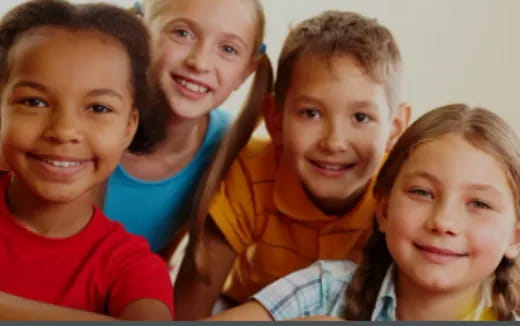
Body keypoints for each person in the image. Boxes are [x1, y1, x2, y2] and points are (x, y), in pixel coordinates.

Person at [175, 10, 410, 319]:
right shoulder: (251, 172)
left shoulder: (403, 191)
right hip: (244, 309)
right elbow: (189, 308)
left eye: (361, 117)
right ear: (275, 119)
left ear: (394, 127)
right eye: (311, 113)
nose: (334, 142)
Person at [209, 104, 520, 321]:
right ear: (383, 210)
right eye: (422, 192)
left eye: (479, 204)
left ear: (515, 236)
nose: (443, 222)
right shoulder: (320, 292)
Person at [0, 0, 173, 320]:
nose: (64, 131)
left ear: (128, 128)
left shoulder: (131, 266)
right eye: (34, 101)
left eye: (98, 108)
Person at [102, 0, 272, 254]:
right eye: (182, 33)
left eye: (228, 48)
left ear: (247, 71)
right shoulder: (88, 121)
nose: (200, 62)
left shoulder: (227, 149)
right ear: (138, 31)